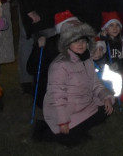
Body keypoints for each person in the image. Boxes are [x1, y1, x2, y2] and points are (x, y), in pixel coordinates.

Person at [40, 15, 114, 146]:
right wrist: (62, 121)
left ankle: (81, 126)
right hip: (68, 112)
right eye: (75, 41)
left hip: (85, 105)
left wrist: (105, 97)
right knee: (72, 140)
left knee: (107, 107)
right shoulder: (60, 65)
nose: (81, 44)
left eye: (83, 41)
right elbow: (56, 97)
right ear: (67, 43)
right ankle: (60, 130)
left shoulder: (87, 59)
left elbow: (95, 83)